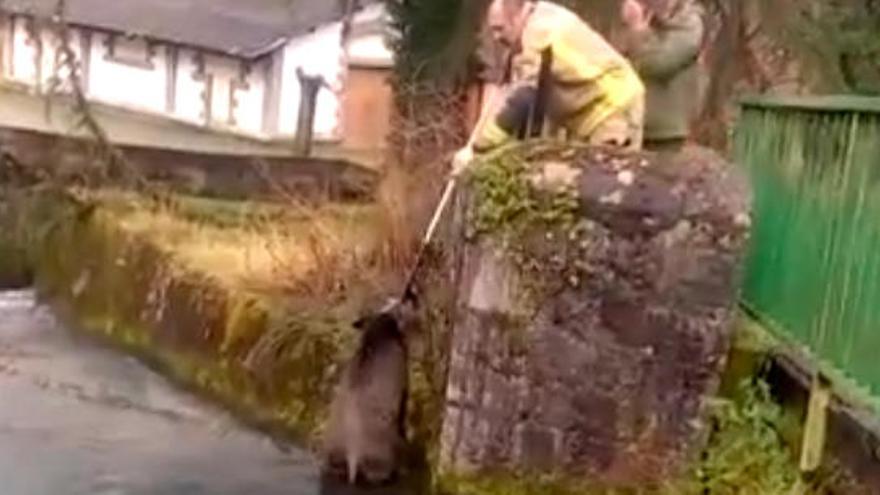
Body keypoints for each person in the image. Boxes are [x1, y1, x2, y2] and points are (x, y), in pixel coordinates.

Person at [452, 0, 646, 175]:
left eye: (499, 29)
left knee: (606, 184)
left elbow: (523, 98)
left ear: (516, 16)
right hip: (594, 112)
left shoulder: (540, 32)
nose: (496, 37)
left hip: (614, 106)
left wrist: (479, 149)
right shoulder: (536, 22)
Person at [618, 0, 705, 152]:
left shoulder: (689, 24)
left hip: (665, 134)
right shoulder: (642, 18)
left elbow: (658, 65)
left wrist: (638, 31)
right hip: (628, 125)